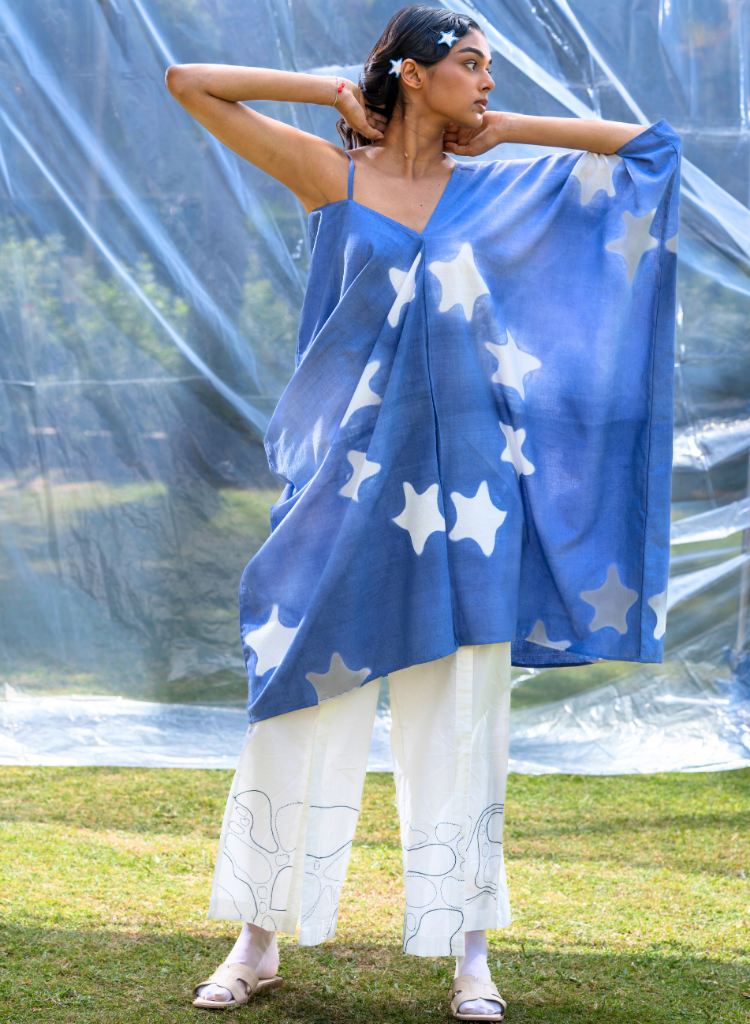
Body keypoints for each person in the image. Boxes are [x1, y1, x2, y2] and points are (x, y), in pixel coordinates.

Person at [166, 5, 679, 1018]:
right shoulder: (332, 174)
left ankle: (470, 956)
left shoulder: (501, 188)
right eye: (473, 64)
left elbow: (649, 149)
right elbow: (190, 82)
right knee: (296, 705)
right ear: (412, 71)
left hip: (469, 498)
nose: (488, 81)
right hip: (341, 490)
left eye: (491, 69)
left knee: (463, 722)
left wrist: (513, 129)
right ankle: (256, 939)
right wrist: (331, 93)